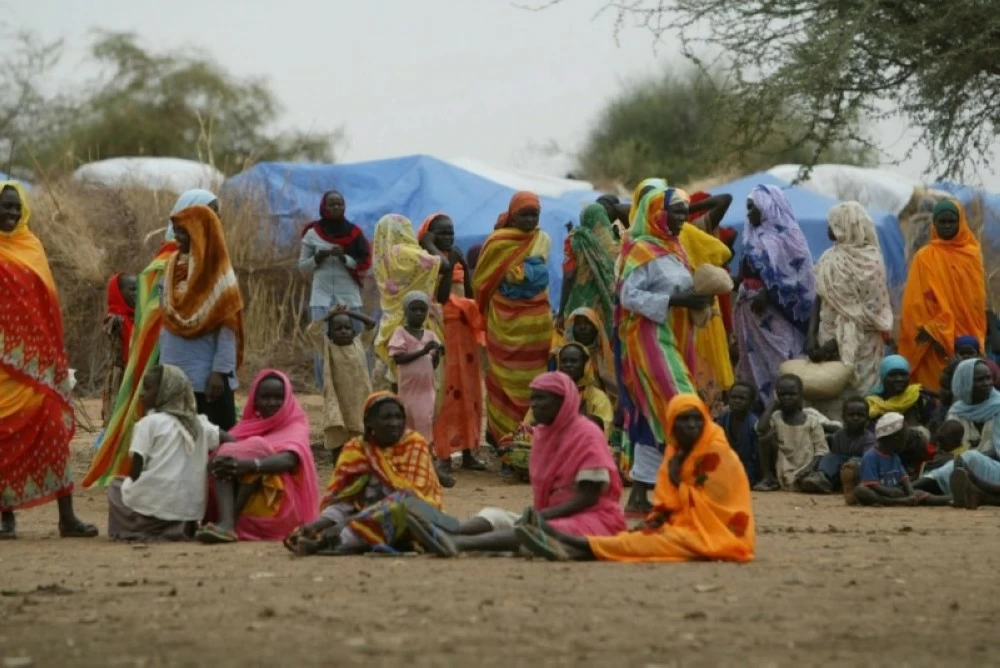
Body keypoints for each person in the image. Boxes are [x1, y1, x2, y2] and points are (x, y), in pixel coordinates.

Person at [513, 394, 755, 563]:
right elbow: (666, 502)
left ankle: (563, 540)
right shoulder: (675, 453)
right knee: (635, 539)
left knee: (650, 543)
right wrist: (656, 519)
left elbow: (713, 508)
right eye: (683, 419)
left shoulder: (717, 453)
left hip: (721, 535)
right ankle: (571, 548)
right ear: (671, 424)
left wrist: (677, 491)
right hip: (685, 527)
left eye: (696, 419)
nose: (691, 425)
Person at [407, 372, 626, 557]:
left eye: (542, 399)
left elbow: (589, 497)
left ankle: (461, 544)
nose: (535, 405)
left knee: (534, 529)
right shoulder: (542, 436)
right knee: (495, 515)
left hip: (595, 519)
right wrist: (542, 515)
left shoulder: (587, 436)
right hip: (550, 515)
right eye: (533, 399)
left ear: (563, 401)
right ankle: (446, 531)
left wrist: (543, 516)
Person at [86, 189, 219, 487]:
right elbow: (154, 314)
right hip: (167, 354)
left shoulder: (210, 256)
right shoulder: (167, 261)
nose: (215, 219)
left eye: (217, 213)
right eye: (209, 211)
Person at [0, 181, 98, 539]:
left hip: (38, 366)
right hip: (2, 371)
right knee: (2, 436)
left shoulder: (32, 247)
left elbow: (47, 306)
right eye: (4, 207)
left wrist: (52, 355)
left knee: (54, 431)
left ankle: (67, 517)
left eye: (15, 207)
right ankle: (5, 516)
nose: (10, 213)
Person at [615, 186, 709, 514]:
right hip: (647, 339)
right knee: (682, 405)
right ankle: (686, 484)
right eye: (677, 211)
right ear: (658, 213)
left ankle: (641, 496)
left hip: (674, 338)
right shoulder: (641, 249)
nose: (683, 218)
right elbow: (628, 296)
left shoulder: (676, 248)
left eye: (686, 211)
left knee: (656, 413)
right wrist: (675, 300)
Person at [284, 392, 444, 556]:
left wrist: (348, 523)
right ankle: (314, 532)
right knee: (337, 509)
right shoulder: (356, 449)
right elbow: (344, 497)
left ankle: (324, 543)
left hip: (409, 515)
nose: (394, 423)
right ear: (369, 422)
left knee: (391, 511)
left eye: (398, 417)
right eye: (386, 418)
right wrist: (319, 524)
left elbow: (412, 496)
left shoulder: (414, 444)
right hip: (362, 511)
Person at [197, 370, 319, 543]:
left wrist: (251, 465)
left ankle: (227, 522)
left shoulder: (296, 424)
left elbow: (289, 459)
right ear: (255, 400)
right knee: (225, 454)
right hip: (251, 512)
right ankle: (227, 521)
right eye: (265, 397)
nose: (272, 403)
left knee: (255, 447)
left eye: (278, 397)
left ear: (288, 399)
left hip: (279, 510)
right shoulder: (249, 426)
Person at [106, 365, 223, 541]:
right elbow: (227, 438)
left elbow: (136, 472)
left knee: (116, 486)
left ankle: (137, 530)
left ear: (166, 391)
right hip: (188, 514)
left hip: (155, 511)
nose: (142, 394)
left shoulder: (149, 423)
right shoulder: (199, 424)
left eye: (148, 388)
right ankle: (175, 528)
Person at [473, 192, 554, 444]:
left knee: (535, 379)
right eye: (524, 214)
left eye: (534, 215)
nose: (530, 220)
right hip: (503, 321)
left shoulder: (542, 239)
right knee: (501, 377)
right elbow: (481, 281)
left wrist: (518, 275)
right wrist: (525, 275)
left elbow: (540, 276)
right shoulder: (497, 242)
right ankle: (503, 439)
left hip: (536, 325)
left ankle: (533, 438)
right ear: (512, 214)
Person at [159, 204, 244, 430]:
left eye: (183, 232)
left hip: (206, 374)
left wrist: (219, 372)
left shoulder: (218, 274)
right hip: (172, 365)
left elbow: (228, 330)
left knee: (210, 438)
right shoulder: (170, 266)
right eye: (176, 230)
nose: (177, 237)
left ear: (200, 233)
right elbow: (165, 319)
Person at [417, 213, 487, 472]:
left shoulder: (455, 259)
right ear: (429, 236)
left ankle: (469, 450)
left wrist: (462, 267)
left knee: (469, 391)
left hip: (464, 333)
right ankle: (443, 454)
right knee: (446, 392)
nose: (448, 237)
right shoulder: (427, 262)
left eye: (451, 232)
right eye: (442, 233)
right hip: (442, 331)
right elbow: (443, 295)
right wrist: (447, 260)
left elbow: (468, 295)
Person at [735, 185, 816, 405]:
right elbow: (746, 272)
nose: (749, 213)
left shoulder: (789, 236)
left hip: (776, 313)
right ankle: (762, 409)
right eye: (748, 208)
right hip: (751, 313)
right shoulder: (750, 237)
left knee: (784, 358)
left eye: (754, 208)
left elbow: (799, 277)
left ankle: (791, 406)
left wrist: (768, 293)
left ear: (768, 206)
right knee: (755, 360)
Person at [807, 202, 894, 398]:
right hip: (825, 335)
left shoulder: (871, 261)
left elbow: (870, 312)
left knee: (860, 398)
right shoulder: (828, 257)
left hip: (862, 344)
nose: (828, 229)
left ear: (846, 226)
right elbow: (819, 297)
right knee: (830, 393)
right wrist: (811, 334)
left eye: (832, 224)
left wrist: (835, 344)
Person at [899, 199, 986, 392]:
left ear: (960, 222)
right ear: (934, 224)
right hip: (932, 342)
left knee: (970, 387)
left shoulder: (972, 254)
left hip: (967, 339)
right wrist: (935, 331)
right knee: (936, 391)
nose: (947, 226)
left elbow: (976, 302)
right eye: (942, 222)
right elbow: (915, 302)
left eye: (951, 221)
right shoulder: (924, 257)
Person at [298, 190, 372, 390]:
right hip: (321, 298)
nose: (336, 207)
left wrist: (344, 258)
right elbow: (302, 267)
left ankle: (361, 386)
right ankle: (327, 389)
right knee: (322, 344)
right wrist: (318, 258)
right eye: (331, 204)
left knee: (358, 342)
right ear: (323, 206)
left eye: (339, 204)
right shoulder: (313, 233)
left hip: (349, 296)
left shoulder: (354, 233)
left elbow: (366, 264)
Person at [372, 214, 444, 384]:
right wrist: (428, 244)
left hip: (390, 320)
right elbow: (441, 264)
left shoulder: (380, 257)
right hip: (416, 320)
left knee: (398, 374)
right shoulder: (404, 252)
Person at [678, 201, 735, 413]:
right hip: (691, 309)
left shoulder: (688, 231)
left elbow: (723, 251)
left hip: (698, 309)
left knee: (700, 362)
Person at [306, 305, 376, 464]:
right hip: (338, 402)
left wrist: (349, 312)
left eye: (347, 328)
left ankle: (360, 471)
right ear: (329, 334)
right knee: (339, 440)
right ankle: (338, 470)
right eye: (338, 329)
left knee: (361, 439)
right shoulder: (327, 347)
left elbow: (371, 324)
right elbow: (312, 331)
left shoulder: (359, 343)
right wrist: (328, 316)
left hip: (359, 402)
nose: (344, 331)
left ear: (354, 331)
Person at [755, 374, 839, 492]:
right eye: (782, 395)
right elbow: (761, 429)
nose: (787, 398)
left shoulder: (811, 421)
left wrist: (809, 468)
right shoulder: (776, 417)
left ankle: (809, 482)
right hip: (783, 463)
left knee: (809, 480)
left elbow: (822, 451)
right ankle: (768, 478)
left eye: (791, 394)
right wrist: (774, 404)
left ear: (801, 395)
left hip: (806, 464)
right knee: (765, 438)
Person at [389, 291, 443, 446]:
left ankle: (424, 455)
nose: (419, 313)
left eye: (422, 310)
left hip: (426, 389)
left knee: (425, 420)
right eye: (414, 309)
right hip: (408, 389)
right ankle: (410, 455)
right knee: (408, 422)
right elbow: (399, 358)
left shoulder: (430, 335)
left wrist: (436, 355)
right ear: (406, 311)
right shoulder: (400, 332)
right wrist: (423, 351)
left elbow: (432, 365)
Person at [558, 203, 618, 342]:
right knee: (603, 343)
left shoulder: (575, 240)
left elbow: (569, 275)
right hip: (607, 305)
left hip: (581, 304)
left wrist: (561, 312)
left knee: (579, 343)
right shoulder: (617, 244)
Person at [799, 396, 875, 494]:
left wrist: (852, 463)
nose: (855, 418)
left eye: (860, 415)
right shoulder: (839, 435)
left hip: (857, 472)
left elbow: (868, 461)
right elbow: (835, 457)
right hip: (840, 470)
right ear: (843, 417)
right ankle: (822, 478)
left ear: (867, 419)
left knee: (855, 464)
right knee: (829, 457)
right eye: (851, 415)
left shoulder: (869, 438)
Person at [843, 413, 921, 506]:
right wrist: (891, 492)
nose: (906, 443)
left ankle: (906, 500)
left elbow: (904, 478)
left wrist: (910, 492)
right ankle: (896, 502)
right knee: (861, 491)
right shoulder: (870, 456)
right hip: (879, 492)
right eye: (905, 440)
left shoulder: (894, 457)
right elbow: (872, 484)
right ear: (896, 439)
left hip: (894, 490)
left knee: (919, 492)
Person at [553, 343, 614, 437]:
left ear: (585, 364)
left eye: (574, 361)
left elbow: (604, 431)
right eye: (564, 361)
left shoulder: (599, 398)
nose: (568, 365)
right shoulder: (550, 393)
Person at [102, 272, 137, 426]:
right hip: (119, 375)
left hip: (134, 372)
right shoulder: (114, 319)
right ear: (118, 293)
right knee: (117, 420)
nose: (136, 294)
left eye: (138, 289)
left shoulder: (136, 318)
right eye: (132, 290)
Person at [866, 355, 935, 428]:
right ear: (883, 377)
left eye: (903, 374)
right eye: (893, 375)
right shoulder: (872, 404)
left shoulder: (919, 398)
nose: (899, 379)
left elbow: (933, 427)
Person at [715, 381, 760, 486]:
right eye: (734, 397)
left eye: (742, 398)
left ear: (751, 402)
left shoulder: (753, 423)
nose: (737, 401)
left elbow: (756, 456)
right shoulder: (723, 418)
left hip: (746, 466)